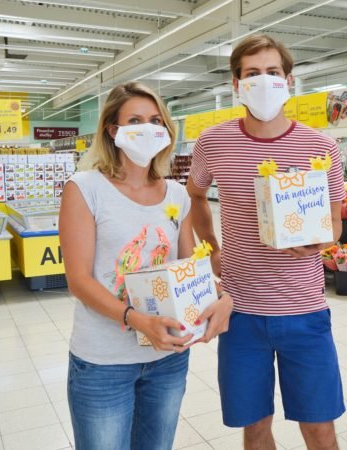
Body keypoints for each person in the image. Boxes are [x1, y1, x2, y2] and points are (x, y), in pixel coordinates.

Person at [187, 34, 346, 449]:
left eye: (272, 73)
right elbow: (195, 195)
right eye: (252, 74)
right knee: (255, 428)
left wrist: (320, 242)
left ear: (289, 80)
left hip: (305, 311)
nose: (263, 82)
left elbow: (335, 223)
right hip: (239, 313)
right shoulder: (212, 142)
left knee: (320, 429)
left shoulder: (322, 147)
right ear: (236, 84)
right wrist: (213, 250)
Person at [59, 81, 233, 450]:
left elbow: (189, 268)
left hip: (166, 359)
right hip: (103, 362)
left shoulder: (177, 193)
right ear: (113, 130)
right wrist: (137, 320)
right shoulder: (85, 188)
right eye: (135, 120)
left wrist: (222, 295)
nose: (149, 128)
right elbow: (78, 280)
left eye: (156, 120)